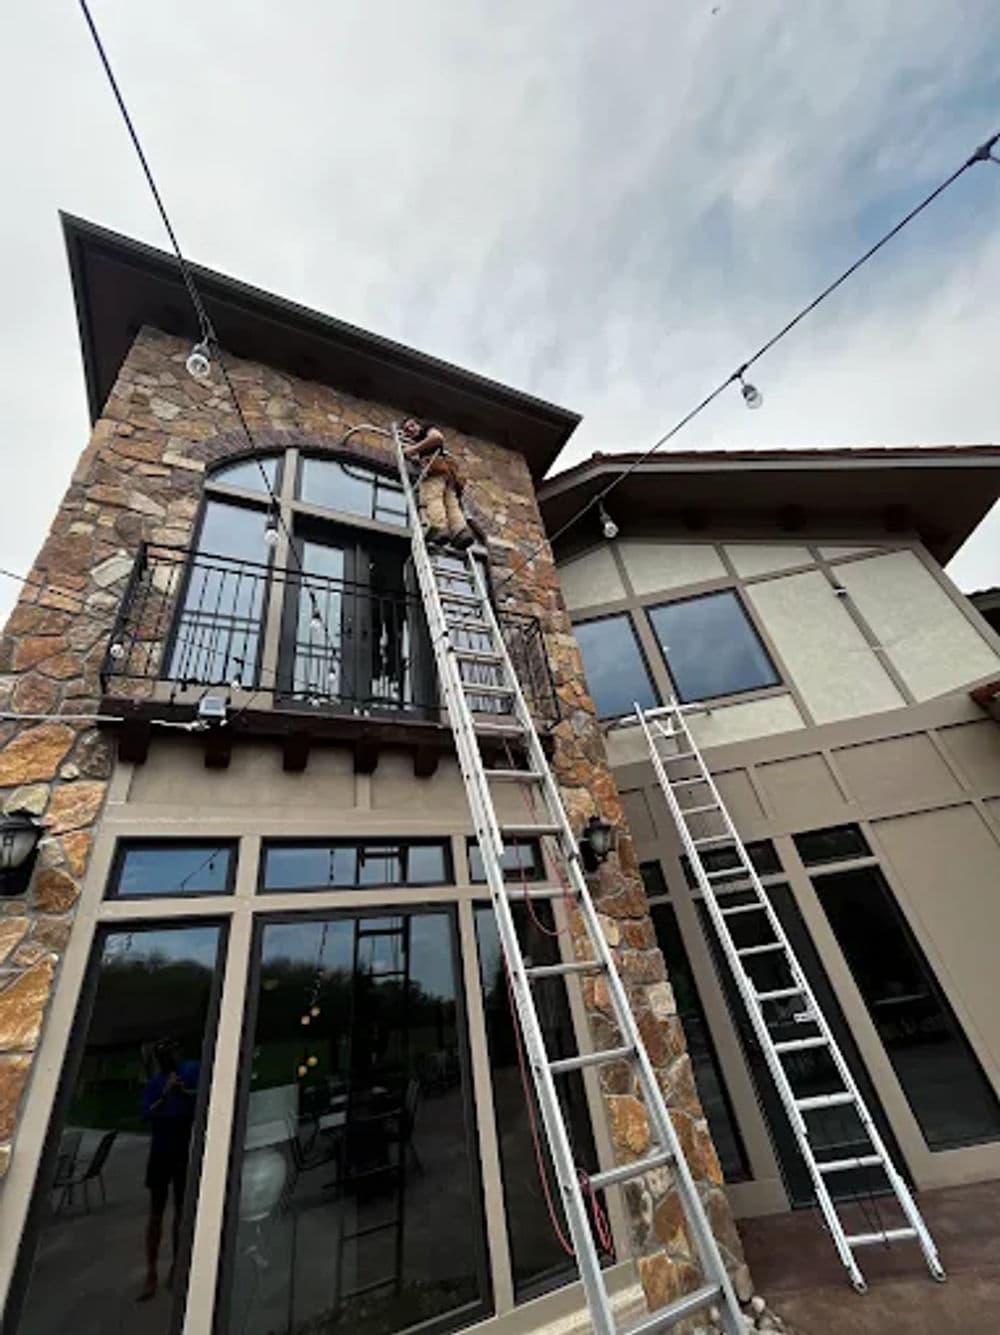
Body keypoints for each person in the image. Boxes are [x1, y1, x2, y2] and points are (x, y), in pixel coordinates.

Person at [138, 1038, 199, 1302]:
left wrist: (183, 1091)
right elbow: (146, 1115)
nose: (167, 1059)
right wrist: (165, 1094)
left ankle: (178, 1266)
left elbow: (204, 1098)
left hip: (183, 1146)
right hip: (161, 1148)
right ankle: (151, 1271)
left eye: (169, 1053)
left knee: (181, 1210)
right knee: (156, 1212)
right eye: (161, 1055)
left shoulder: (191, 1070)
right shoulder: (154, 1084)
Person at [400, 417, 474, 549]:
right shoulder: (422, 440)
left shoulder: (427, 430)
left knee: (432, 498)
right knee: (451, 504)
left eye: (412, 426)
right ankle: (460, 532)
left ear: (419, 425)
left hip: (435, 470)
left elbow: (438, 437)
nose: (410, 430)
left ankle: (440, 529)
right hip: (447, 473)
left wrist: (412, 449)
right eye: (406, 430)